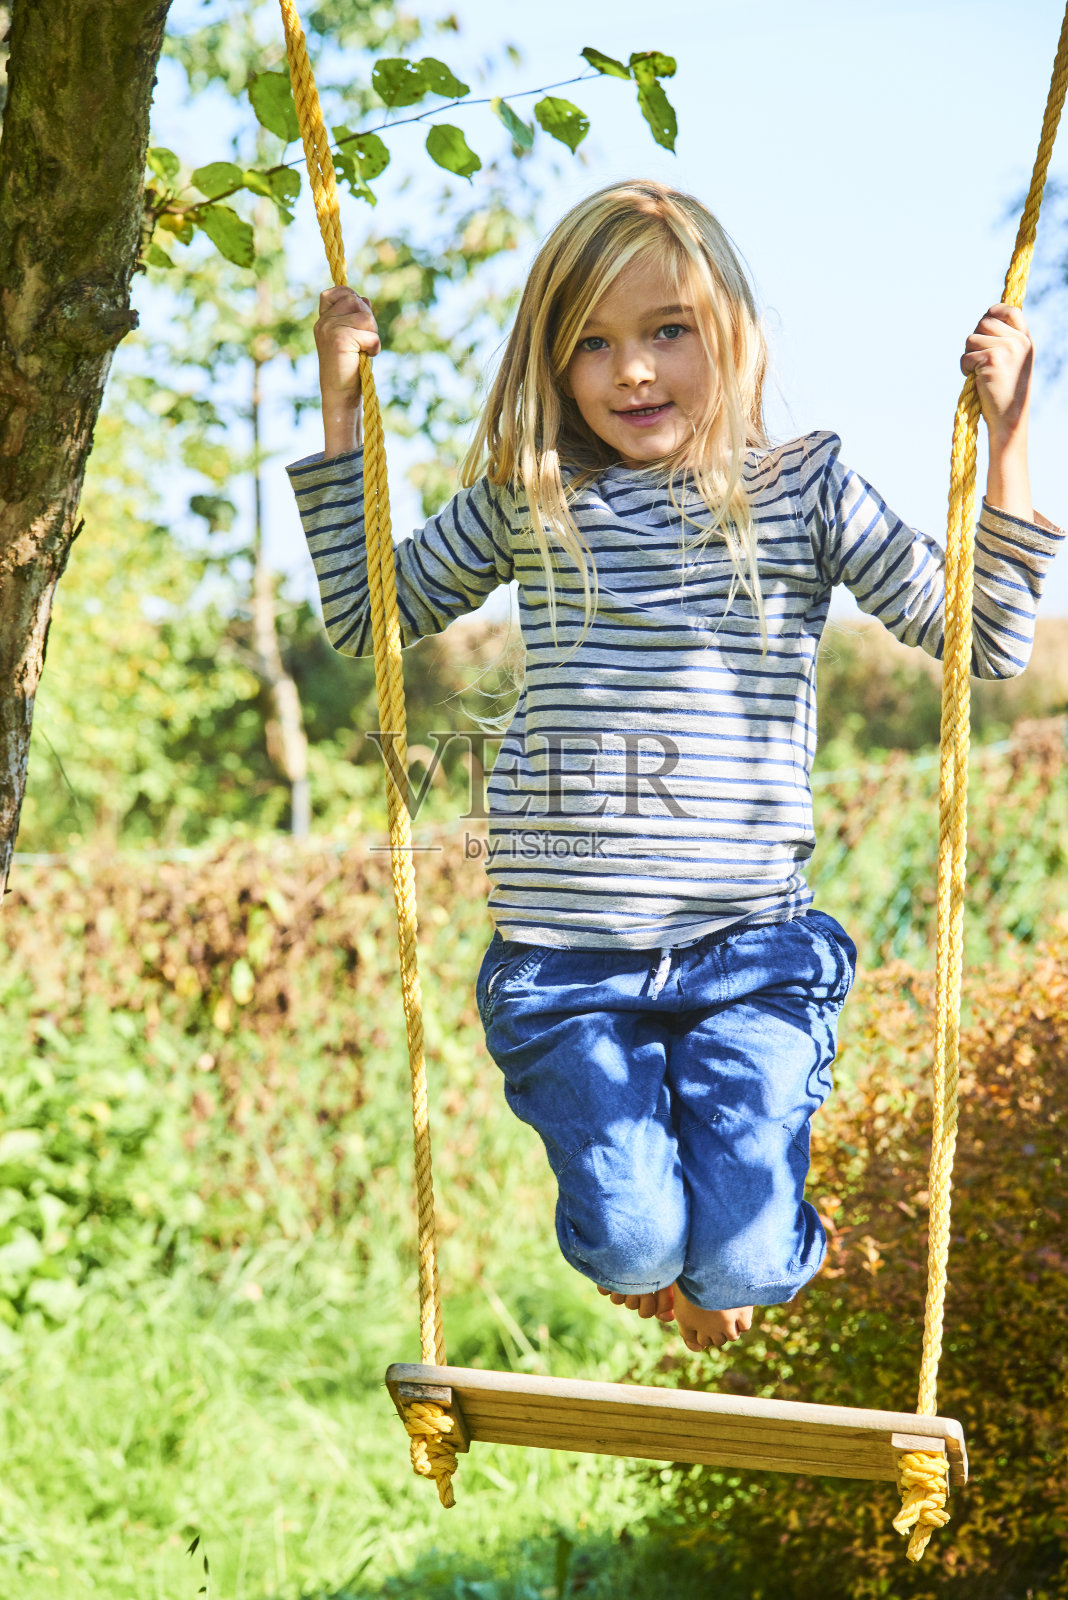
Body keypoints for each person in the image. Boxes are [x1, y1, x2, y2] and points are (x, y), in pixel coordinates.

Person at [288, 181, 1063, 1354]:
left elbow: (986, 636)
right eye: (593, 344)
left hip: (749, 952)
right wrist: (342, 413)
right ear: (556, 363)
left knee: (747, 1254)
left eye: (667, 331)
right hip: (567, 969)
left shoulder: (804, 491)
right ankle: (650, 1253)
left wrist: (1008, 437)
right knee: (634, 1237)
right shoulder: (531, 499)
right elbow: (365, 616)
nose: (632, 371)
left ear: (732, 334)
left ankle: (730, 1255)